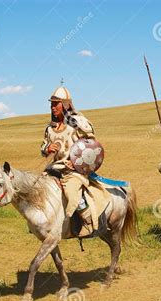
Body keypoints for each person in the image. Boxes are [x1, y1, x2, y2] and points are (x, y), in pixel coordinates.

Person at [41, 85, 107, 237]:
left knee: (72, 193)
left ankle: (88, 222)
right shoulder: (50, 128)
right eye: (51, 103)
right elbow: (43, 145)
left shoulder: (77, 122)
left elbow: (92, 146)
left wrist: (77, 161)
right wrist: (47, 148)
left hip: (73, 170)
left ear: (65, 104)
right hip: (54, 168)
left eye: (55, 103)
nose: (52, 107)